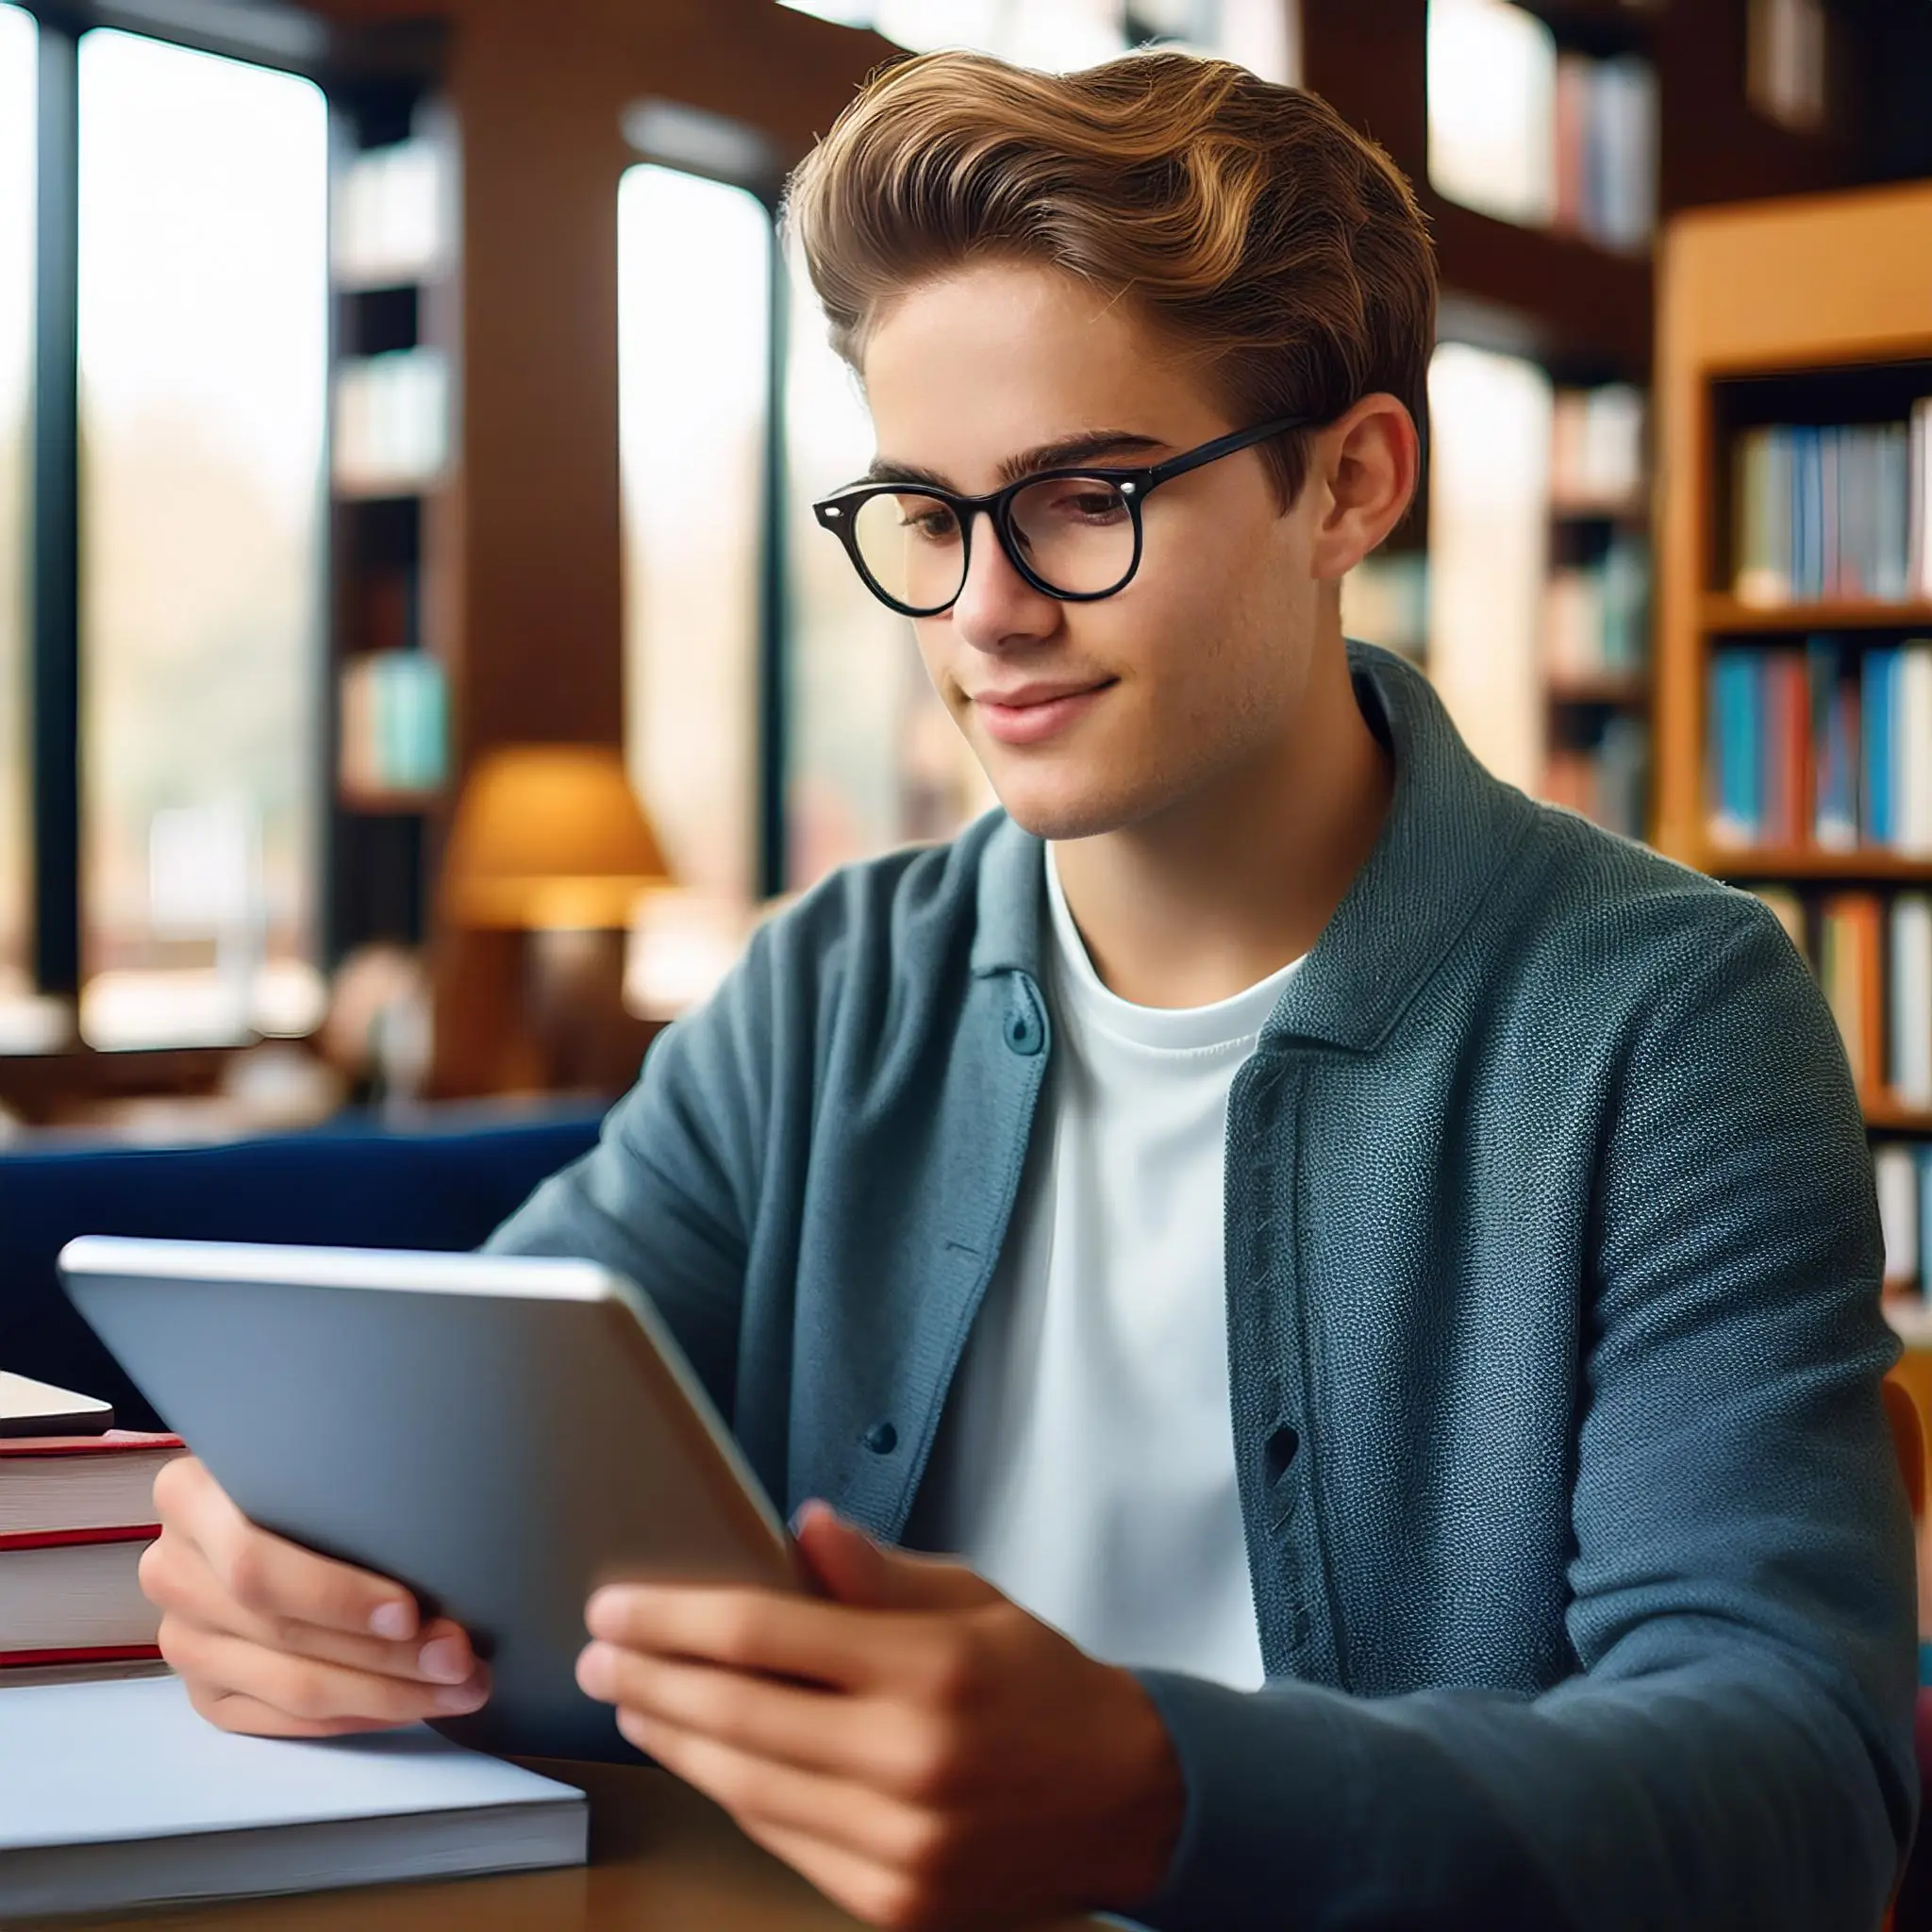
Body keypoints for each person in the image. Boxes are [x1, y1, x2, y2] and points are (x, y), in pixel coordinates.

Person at [141, 47, 1916, 1931]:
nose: (983, 607)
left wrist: (1162, 1794)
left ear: (1350, 482)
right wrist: (293, 1564)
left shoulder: (1671, 1019)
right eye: (923, 507)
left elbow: (1793, 1780)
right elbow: (468, 1423)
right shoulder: (829, 984)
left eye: (1082, 496)